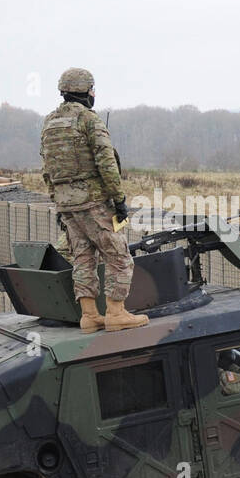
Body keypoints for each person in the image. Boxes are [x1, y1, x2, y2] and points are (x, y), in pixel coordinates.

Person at [39, 67, 147, 333]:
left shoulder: (50, 122)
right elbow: (107, 163)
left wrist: (58, 200)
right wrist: (119, 199)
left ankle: (89, 316)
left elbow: (46, 168)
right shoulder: (89, 120)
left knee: (84, 257)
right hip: (94, 202)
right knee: (119, 256)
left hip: (67, 204)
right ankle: (116, 313)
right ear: (87, 91)